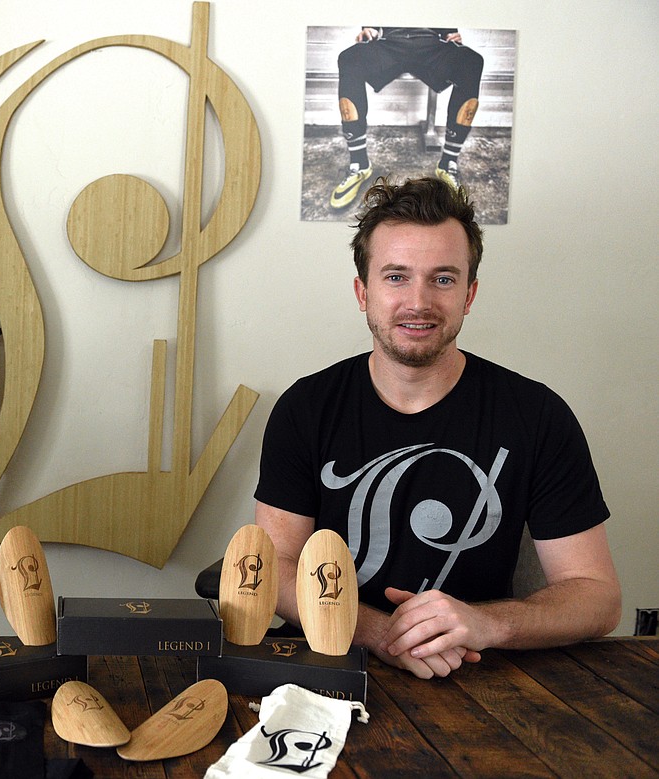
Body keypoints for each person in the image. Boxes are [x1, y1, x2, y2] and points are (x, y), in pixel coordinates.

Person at [255, 177, 620, 679]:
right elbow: (274, 568)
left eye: (443, 279)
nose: (419, 301)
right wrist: (383, 634)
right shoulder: (306, 407)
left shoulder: (537, 416)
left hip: (477, 672)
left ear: (469, 294)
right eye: (396, 277)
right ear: (363, 292)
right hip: (327, 661)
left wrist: (486, 624)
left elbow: (597, 596)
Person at [330, 27, 484, 209]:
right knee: (349, 58)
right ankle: (359, 163)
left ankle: (448, 163)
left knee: (472, 61)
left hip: (431, 45)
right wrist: (369, 28)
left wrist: (450, 32)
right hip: (390, 43)